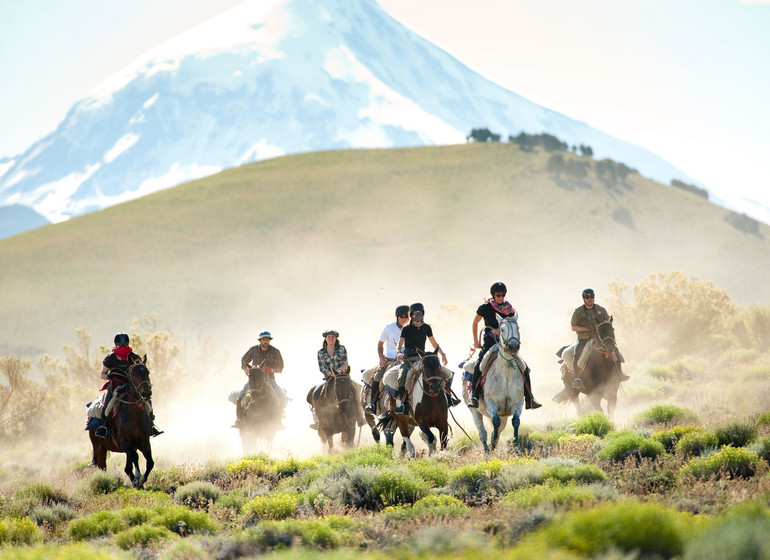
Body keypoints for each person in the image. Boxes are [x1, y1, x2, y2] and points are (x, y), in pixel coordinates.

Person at [469, 282, 541, 410]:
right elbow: (475, 323)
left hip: (507, 345)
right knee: (479, 366)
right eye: (498, 295)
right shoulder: (485, 308)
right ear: (493, 295)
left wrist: (502, 331)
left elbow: (512, 323)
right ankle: (474, 397)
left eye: (503, 295)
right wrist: (476, 342)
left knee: (525, 367)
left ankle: (530, 398)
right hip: (490, 342)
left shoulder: (508, 308)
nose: (501, 298)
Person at [95, 332, 163, 439]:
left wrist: (140, 364)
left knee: (146, 400)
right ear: (116, 345)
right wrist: (109, 377)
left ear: (128, 344)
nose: (122, 347)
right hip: (116, 385)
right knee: (108, 404)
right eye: (120, 345)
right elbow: (102, 374)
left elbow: (139, 368)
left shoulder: (134, 356)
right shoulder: (110, 358)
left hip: (132, 384)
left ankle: (152, 425)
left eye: (125, 345)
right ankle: (104, 427)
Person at [394, 303, 454, 415]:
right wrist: (398, 352)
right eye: (415, 313)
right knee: (402, 378)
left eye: (420, 313)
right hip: (409, 359)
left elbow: (434, 343)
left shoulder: (426, 328)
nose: (417, 315)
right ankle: (403, 404)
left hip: (422, 358)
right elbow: (400, 343)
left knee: (447, 374)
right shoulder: (406, 329)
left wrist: (442, 353)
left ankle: (448, 397)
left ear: (423, 315)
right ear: (411, 315)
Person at [571, 288, 630, 382]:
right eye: (587, 297)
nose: (589, 299)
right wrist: (586, 329)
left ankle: (619, 373)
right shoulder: (578, 312)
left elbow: (607, 322)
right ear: (584, 298)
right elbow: (573, 327)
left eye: (591, 296)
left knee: (615, 349)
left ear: (594, 298)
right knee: (577, 353)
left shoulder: (601, 310)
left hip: (599, 338)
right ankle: (577, 378)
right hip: (583, 339)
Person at [233, 331, 286, 429]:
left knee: (282, 397)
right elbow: (243, 361)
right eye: (263, 339)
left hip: (270, 380)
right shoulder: (253, 350)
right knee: (240, 396)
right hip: (254, 380)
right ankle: (239, 420)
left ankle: (278, 421)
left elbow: (281, 367)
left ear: (269, 340)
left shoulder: (275, 351)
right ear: (260, 340)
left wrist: (272, 370)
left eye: (267, 339)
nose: (265, 341)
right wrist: (246, 369)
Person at [365, 305, 410, 414]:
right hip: (389, 359)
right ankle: (373, 404)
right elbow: (380, 345)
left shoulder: (411, 329)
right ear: (397, 317)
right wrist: (381, 358)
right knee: (377, 377)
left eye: (406, 317)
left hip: (407, 360)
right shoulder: (389, 328)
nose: (404, 319)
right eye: (402, 317)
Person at [309, 329, 350, 429]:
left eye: (333, 337)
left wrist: (338, 371)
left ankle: (360, 416)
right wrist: (330, 373)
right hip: (328, 378)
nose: (331, 339)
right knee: (315, 394)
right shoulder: (321, 352)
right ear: (325, 339)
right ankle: (318, 420)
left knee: (357, 388)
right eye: (329, 337)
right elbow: (321, 367)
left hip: (342, 377)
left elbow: (345, 364)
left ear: (336, 338)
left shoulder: (342, 348)